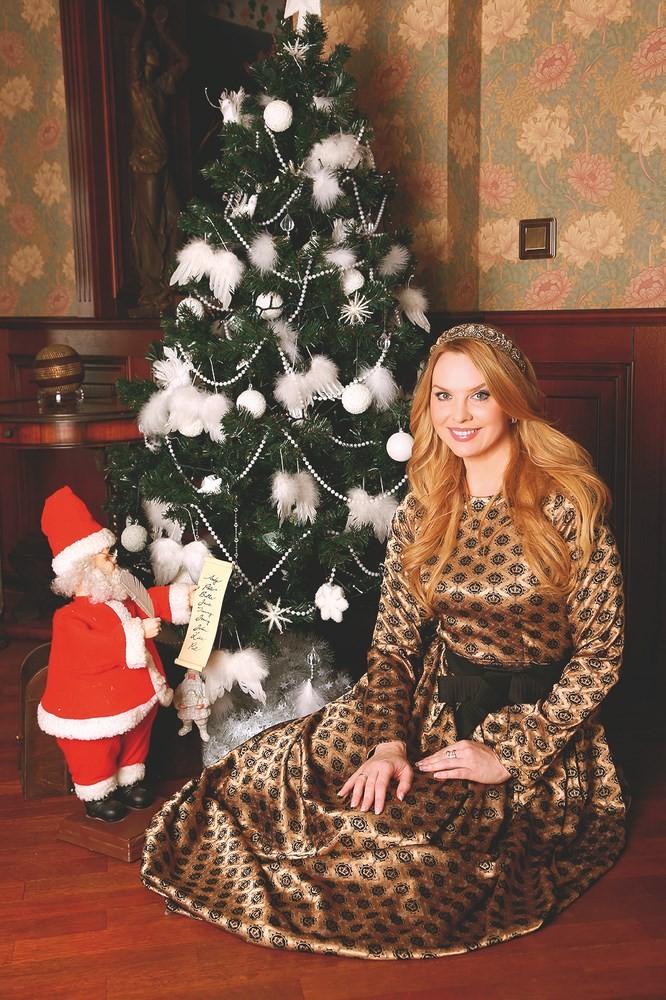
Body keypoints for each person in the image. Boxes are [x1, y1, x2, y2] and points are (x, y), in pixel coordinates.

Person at [141, 324, 627, 958]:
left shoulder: (568, 505)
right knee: (281, 784)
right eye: (443, 396)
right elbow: (395, 645)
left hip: (539, 725)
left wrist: (509, 754)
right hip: (434, 704)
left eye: (480, 395)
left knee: (415, 868)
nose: (459, 415)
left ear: (512, 401)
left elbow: (599, 655)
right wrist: (389, 742)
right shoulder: (423, 509)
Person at [38, 486, 195, 823]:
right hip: (91, 709)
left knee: (134, 737)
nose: (114, 560)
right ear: (83, 569)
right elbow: (89, 650)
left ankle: (129, 779)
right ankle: (97, 794)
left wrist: (185, 598)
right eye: (106, 556)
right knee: (96, 749)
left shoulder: (120, 597)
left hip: (133, 696)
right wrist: (136, 632)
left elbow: (149, 600)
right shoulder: (68, 618)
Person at [128, 0, 189, 317]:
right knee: (150, 227)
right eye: (149, 49)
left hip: (162, 160)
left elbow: (185, 61)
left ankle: (168, 284)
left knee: (176, 217)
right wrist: (142, 21)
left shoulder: (161, 87)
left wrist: (163, 33)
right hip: (147, 163)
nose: (152, 51)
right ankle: (151, 289)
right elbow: (133, 52)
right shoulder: (138, 89)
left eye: (154, 49)